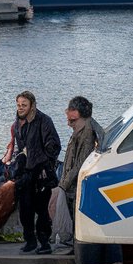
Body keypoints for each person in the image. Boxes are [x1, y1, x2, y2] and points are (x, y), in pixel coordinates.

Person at [4, 90, 61, 254]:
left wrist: (39, 159)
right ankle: (30, 241)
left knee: (42, 211)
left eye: (24, 105)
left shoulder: (44, 120)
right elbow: (19, 146)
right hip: (25, 172)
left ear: (32, 106)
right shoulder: (17, 122)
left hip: (42, 173)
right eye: (18, 105)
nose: (20, 108)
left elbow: (54, 145)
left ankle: (44, 243)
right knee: (25, 210)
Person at [57, 96, 103, 252]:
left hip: (78, 187)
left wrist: (62, 186)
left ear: (84, 117)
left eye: (73, 120)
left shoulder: (87, 134)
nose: (69, 124)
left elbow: (79, 164)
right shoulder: (82, 129)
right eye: (69, 120)